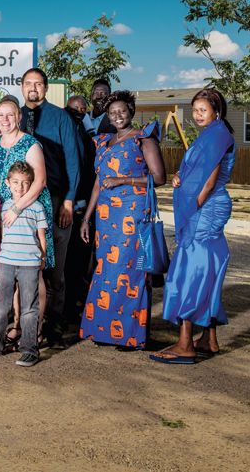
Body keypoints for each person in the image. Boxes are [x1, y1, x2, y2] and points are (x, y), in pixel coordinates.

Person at [151, 88, 236, 364]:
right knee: (204, 269)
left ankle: (186, 344)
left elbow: (209, 183)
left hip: (205, 209)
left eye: (203, 110)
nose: (198, 115)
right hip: (208, 208)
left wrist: (190, 210)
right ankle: (208, 339)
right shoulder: (213, 134)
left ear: (216, 111)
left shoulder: (217, 136)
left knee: (189, 271)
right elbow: (196, 173)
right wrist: (180, 178)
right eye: (195, 110)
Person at [79, 91, 165, 349]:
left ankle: (130, 335)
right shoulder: (104, 141)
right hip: (106, 218)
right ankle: (106, 331)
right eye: (112, 112)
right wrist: (87, 217)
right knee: (107, 271)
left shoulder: (143, 139)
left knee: (130, 272)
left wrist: (123, 180)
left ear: (131, 112)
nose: (117, 116)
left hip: (133, 213)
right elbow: (98, 182)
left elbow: (159, 178)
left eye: (122, 111)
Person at [0, 95, 53, 349]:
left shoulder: (31, 144)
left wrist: (16, 208)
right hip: (3, 214)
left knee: (34, 273)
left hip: (28, 210)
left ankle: (34, 330)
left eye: (10, 114)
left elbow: (40, 181)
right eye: (0, 115)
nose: (5, 119)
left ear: (19, 117)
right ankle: (16, 327)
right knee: (11, 271)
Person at [20, 67, 81, 344]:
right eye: (28, 83)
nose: (33, 88)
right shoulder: (15, 117)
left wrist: (68, 200)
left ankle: (54, 323)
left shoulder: (61, 117)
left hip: (55, 199)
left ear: (45, 88)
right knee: (25, 266)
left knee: (54, 266)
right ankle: (25, 324)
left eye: (38, 84)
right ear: (22, 87)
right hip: (21, 202)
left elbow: (73, 160)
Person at [0, 161, 47, 367]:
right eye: (15, 182)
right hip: (7, 261)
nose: (20, 187)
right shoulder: (5, 206)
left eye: (25, 183)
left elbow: (41, 237)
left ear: (31, 184)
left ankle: (29, 349)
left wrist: (41, 258)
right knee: (0, 306)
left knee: (29, 308)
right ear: (8, 183)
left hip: (29, 264)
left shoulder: (37, 207)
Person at [65, 94, 97, 325]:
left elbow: (88, 171)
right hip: (64, 204)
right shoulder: (63, 131)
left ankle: (75, 305)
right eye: (74, 108)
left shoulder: (87, 137)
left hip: (82, 205)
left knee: (79, 259)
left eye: (83, 109)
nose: (79, 111)